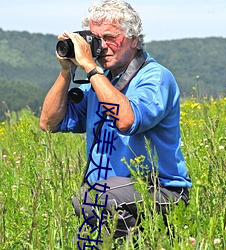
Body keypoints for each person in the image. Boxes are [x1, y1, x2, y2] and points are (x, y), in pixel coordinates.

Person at [40, 0, 192, 242]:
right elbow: (49, 122)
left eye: (111, 37)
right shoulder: (100, 83)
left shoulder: (154, 77)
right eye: (96, 39)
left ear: (133, 39)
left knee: (93, 199)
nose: (102, 47)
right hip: (113, 196)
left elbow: (127, 121)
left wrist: (90, 67)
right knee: (93, 210)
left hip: (160, 191)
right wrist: (66, 70)